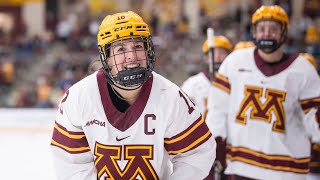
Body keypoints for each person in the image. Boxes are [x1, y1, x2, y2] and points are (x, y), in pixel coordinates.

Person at [50, 11, 216, 180]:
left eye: (138, 47)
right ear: (105, 58)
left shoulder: (170, 96)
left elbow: (196, 154)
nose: (131, 56)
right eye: (121, 49)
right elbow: (70, 164)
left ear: (148, 50)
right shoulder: (79, 98)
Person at [206, 5, 320, 180]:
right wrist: (216, 141)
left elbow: (313, 121)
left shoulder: (303, 70)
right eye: (262, 29)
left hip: (288, 171)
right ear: (254, 32)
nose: (266, 33)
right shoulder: (235, 62)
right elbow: (217, 109)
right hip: (241, 167)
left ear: (284, 33)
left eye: (273, 29)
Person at [181, 35, 232, 180]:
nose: (217, 57)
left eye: (222, 53)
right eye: (213, 53)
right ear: (205, 58)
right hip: (201, 142)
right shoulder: (193, 83)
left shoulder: (235, 81)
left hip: (228, 142)